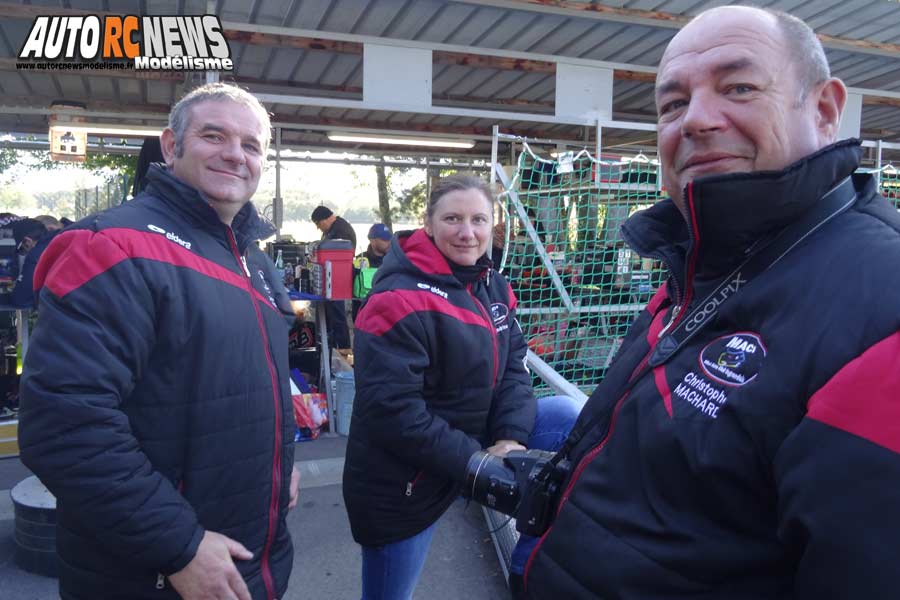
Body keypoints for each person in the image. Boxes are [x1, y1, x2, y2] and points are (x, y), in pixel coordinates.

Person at [521, 6, 900, 599]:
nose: (695, 120)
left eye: (739, 87)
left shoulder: (881, 310)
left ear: (824, 110)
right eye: (672, 104)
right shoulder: (699, 261)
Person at [18, 82, 300, 600]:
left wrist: (282, 464)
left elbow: (256, 382)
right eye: (214, 136)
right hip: (157, 571)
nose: (236, 154)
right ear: (171, 147)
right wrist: (180, 547)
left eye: (252, 144)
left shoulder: (254, 261)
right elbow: (65, 427)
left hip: (253, 554)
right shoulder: (111, 246)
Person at [343, 174, 580, 599]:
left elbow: (514, 370)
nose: (467, 232)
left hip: (475, 442)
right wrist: (475, 462)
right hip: (406, 475)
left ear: (493, 226)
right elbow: (393, 413)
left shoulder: (494, 286)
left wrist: (510, 439)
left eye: (478, 219)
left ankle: (527, 568)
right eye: (453, 218)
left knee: (565, 416)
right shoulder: (396, 299)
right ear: (428, 225)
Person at [310, 205, 356, 351]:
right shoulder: (331, 230)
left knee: (338, 318)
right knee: (328, 318)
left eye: (318, 224)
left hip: (337, 282)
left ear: (325, 219)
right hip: (328, 281)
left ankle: (344, 352)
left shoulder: (341, 230)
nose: (318, 228)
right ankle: (327, 350)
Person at [9, 217, 57, 308]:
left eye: (22, 249)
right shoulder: (59, 238)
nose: (23, 252)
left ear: (28, 242)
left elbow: (20, 300)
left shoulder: (35, 255)